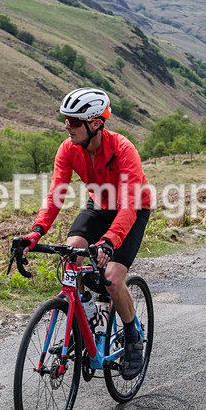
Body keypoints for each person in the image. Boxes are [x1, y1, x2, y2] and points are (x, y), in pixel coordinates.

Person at [20, 87, 151, 380]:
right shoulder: (68, 149)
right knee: (71, 254)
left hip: (132, 209)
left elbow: (129, 205)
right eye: (66, 119)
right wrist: (36, 232)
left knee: (112, 279)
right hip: (99, 205)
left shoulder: (123, 149)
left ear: (95, 123)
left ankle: (132, 337)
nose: (67, 125)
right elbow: (56, 193)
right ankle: (88, 309)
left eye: (74, 121)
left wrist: (109, 240)